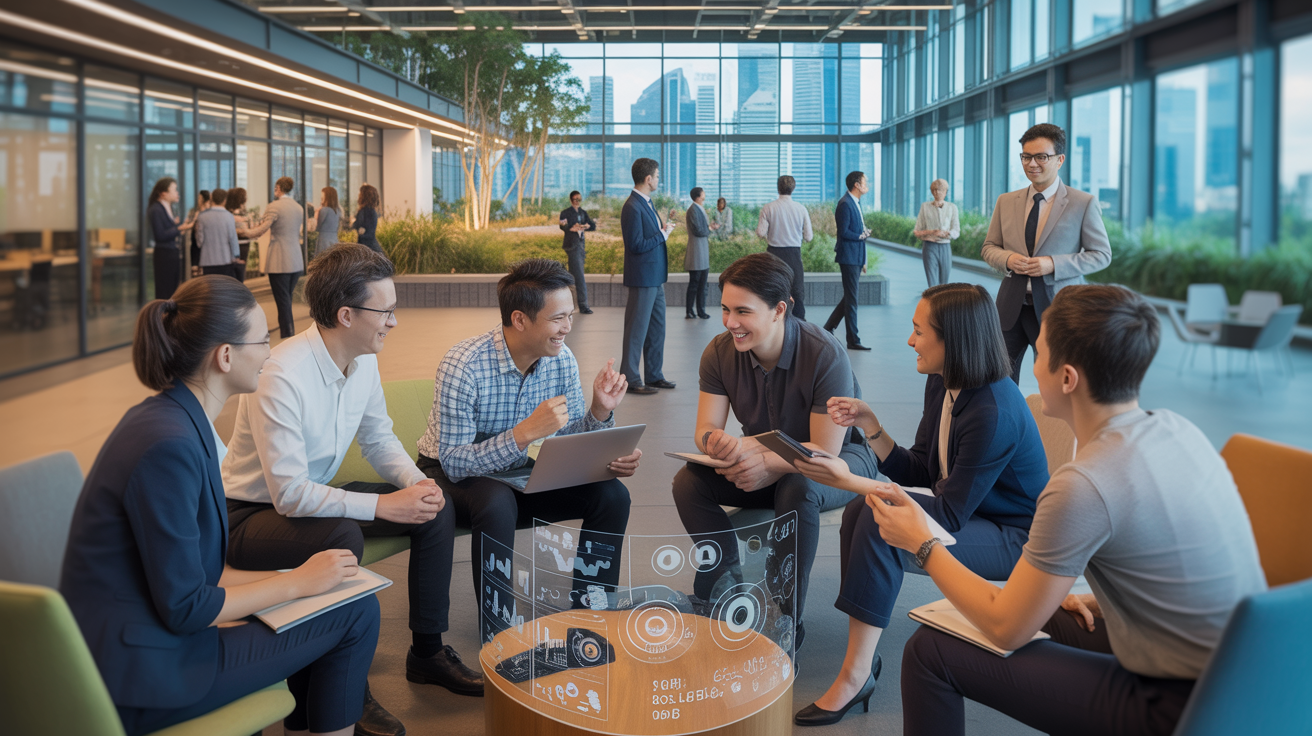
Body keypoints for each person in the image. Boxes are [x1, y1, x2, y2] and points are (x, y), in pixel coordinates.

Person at [884, 285, 1266, 736]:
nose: (1026, 369)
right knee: (1048, 611)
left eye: (1039, 353)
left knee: (931, 651)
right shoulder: (1179, 431)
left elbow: (1006, 629)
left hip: (1181, 706)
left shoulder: (1083, 483)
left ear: (1067, 378)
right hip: (1249, 675)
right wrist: (1106, 600)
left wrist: (922, 544)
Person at [59, 275, 399, 736]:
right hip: (146, 672)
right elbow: (188, 606)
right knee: (356, 612)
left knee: (337, 597)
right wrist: (296, 583)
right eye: (262, 339)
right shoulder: (168, 445)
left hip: (148, 638)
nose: (270, 351)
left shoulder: (174, 420)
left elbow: (197, 574)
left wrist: (303, 581)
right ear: (225, 356)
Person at [222, 244, 482, 698]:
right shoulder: (280, 373)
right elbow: (289, 495)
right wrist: (385, 504)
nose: (394, 322)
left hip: (311, 496)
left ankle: (426, 652)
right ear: (346, 315)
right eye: (386, 311)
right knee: (342, 535)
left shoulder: (363, 361)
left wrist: (418, 485)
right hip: (248, 515)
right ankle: (346, 689)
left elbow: (378, 439)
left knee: (432, 509)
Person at [791, 282, 1049, 727]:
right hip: (974, 511)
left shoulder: (992, 410)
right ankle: (861, 665)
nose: (910, 340)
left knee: (876, 521)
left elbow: (946, 515)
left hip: (1014, 536)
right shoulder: (945, 384)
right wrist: (871, 424)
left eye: (918, 331)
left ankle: (856, 675)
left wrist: (851, 479)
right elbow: (923, 473)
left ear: (954, 339)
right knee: (863, 511)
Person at [672, 252, 878, 650]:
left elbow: (825, 450)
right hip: (767, 461)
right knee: (688, 483)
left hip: (839, 464)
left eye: (743, 312)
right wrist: (717, 444)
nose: (730, 322)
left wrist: (765, 463)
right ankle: (724, 584)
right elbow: (705, 428)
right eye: (726, 309)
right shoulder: (719, 352)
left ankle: (786, 620)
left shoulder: (824, 353)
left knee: (798, 487)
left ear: (779, 310)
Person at [415, 258, 639, 606]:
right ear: (519, 319)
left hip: (513, 471)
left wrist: (600, 411)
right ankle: (498, 624)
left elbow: (568, 440)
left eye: (570, 316)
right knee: (495, 501)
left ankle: (591, 607)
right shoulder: (464, 365)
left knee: (612, 495)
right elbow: (455, 462)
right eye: (557, 318)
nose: (567, 327)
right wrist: (523, 434)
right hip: (446, 473)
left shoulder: (560, 359)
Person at [980, 123, 1113, 383]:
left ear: (1059, 159)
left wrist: (1052, 264)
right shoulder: (1006, 201)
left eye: (1041, 157)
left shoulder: (1082, 203)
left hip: (1057, 309)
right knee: (997, 381)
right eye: (1026, 157)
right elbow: (989, 248)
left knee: (1055, 384)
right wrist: (1008, 259)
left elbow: (1101, 254)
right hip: (1010, 308)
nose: (1032, 164)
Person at [619, 158, 678, 395]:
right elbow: (635, 244)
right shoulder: (632, 206)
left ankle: (654, 375)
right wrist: (663, 235)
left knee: (656, 329)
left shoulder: (647, 203)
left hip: (655, 277)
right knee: (636, 330)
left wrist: (664, 227)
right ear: (648, 179)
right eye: (657, 175)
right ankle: (631, 378)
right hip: (643, 277)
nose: (658, 179)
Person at [239, 176, 304, 339]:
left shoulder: (274, 207)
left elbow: (262, 229)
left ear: (278, 189)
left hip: (279, 260)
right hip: (296, 259)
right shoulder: (298, 207)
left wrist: (244, 232)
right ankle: (289, 331)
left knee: (282, 299)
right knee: (286, 297)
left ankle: (287, 333)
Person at [823, 171, 873, 351]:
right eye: (865, 182)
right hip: (849, 257)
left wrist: (863, 257)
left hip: (856, 256)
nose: (867, 185)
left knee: (849, 297)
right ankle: (853, 340)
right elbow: (843, 232)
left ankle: (828, 328)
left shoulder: (855, 202)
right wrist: (861, 236)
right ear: (857, 185)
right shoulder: (845, 204)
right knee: (852, 299)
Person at [756, 175, 813, 320]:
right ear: (793, 188)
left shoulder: (768, 208)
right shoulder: (801, 209)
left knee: (773, 292)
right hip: (794, 254)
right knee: (797, 293)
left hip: (773, 255)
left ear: (778, 187)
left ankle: (774, 325)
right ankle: (799, 327)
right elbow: (808, 237)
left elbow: (760, 233)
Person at [146, 177, 194, 299]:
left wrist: (176, 226)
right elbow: (160, 235)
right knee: (165, 292)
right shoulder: (156, 209)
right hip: (164, 255)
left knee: (173, 291)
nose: (177, 193)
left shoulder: (167, 207)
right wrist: (179, 228)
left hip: (171, 254)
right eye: (174, 190)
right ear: (163, 193)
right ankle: (162, 317)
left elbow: (168, 231)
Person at [913, 179, 960, 288]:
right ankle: (933, 304)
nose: (937, 192)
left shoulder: (952, 208)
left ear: (945, 192)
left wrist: (948, 233)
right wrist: (932, 232)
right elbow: (917, 231)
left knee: (944, 282)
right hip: (930, 246)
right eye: (934, 190)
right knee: (932, 282)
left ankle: (942, 304)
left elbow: (956, 231)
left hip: (945, 246)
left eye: (940, 190)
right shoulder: (925, 207)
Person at [558, 190, 596, 315]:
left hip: (581, 247)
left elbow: (592, 225)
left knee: (571, 277)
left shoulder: (582, 212)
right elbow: (562, 225)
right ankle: (583, 305)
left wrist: (586, 226)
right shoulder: (566, 212)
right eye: (575, 199)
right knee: (579, 276)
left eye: (579, 199)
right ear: (571, 200)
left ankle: (564, 303)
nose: (577, 202)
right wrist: (571, 228)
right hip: (572, 247)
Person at [194, 188, 243, 279]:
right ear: (225, 200)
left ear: (211, 199)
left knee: (210, 288)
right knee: (224, 287)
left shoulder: (202, 216)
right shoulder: (229, 216)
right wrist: (236, 255)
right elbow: (232, 238)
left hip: (207, 260)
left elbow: (199, 242)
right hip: (225, 258)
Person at [684, 187, 712, 320]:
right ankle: (689, 311)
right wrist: (710, 228)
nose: (705, 194)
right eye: (703, 192)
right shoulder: (692, 210)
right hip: (696, 252)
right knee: (694, 283)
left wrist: (708, 228)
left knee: (702, 284)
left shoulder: (699, 208)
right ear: (699, 196)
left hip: (702, 251)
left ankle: (701, 311)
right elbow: (698, 230)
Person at [225, 187, 251, 282]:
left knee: (240, 271)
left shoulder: (242, 211)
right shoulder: (228, 212)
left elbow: (248, 225)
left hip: (245, 243)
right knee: (235, 271)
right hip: (235, 244)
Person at [184, 189, 210, 277]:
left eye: (200, 198)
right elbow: (189, 223)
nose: (198, 200)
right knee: (194, 268)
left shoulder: (208, 212)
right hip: (194, 243)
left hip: (205, 243)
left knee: (203, 270)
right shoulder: (193, 211)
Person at [353, 183, 382, 254]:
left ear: (363, 196)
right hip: (372, 247)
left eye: (360, 194)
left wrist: (354, 224)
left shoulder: (364, 211)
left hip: (367, 248)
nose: (358, 196)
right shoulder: (372, 211)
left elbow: (361, 228)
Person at [316, 186, 342, 254]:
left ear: (326, 197)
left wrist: (316, 214)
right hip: (334, 239)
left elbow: (317, 227)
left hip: (324, 240)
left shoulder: (324, 210)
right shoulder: (337, 211)